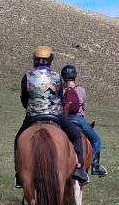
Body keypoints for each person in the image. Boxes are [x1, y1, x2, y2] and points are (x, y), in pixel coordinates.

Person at [14, 46, 90, 188]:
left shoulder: (27, 76)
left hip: (32, 116)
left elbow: (24, 97)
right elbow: (61, 97)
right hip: (56, 115)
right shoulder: (56, 76)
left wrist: (31, 108)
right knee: (75, 135)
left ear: (34, 60)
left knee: (18, 139)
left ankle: (19, 172)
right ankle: (79, 167)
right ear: (50, 61)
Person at [60, 64, 108, 176]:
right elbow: (83, 108)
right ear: (74, 76)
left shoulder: (60, 90)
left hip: (63, 120)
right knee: (96, 141)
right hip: (78, 119)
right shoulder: (81, 90)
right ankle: (95, 167)